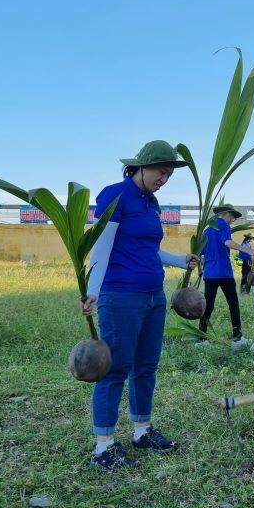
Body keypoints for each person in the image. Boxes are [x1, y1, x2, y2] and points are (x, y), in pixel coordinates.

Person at [80, 140, 199, 472]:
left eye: (168, 175)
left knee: (146, 366)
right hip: (121, 295)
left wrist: (179, 260)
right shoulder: (114, 196)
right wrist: (92, 290)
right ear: (141, 167)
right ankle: (104, 446)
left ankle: (141, 431)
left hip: (152, 294)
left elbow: (149, 248)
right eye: (160, 172)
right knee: (115, 367)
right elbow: (102, 247)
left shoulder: (151, 203)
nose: (164, 178)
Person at [197, 205, 253, 347]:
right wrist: (247, 250)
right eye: (232, 217)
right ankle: (237, 337)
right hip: (224, 272)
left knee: (207, 306)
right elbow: (226, 242)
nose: (233, 220)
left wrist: (199, 269)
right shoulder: (224, 227)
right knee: (233, 304)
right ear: (226, 214)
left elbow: (198, 252)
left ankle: (201, 338)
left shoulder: (207, 229)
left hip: (209, 273)